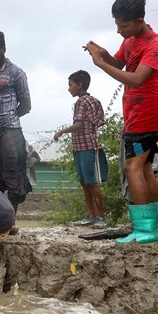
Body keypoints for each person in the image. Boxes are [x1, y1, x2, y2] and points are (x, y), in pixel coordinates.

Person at [83, 0, 158, 244]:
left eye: (123, 25)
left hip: (147, 113)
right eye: (117, 24)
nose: (119, 30)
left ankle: (144, 231)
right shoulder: (132, 39)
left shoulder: (155, 46)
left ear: (140, 20)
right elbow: (121, 63)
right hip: (138, 112)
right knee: (144, 167)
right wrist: (102, 53)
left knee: (131, 166)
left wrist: (100, 65)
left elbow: (136, 78)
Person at [0, 29, 32, 234]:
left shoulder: (16, 73)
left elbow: (26, 104)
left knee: (14, 177)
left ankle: (10, 222)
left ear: (3, 49)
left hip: (11, 130)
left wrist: (9, 117)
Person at [53, 70, 108, 227]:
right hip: (82, 146)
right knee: (85, 182)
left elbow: (79, 124)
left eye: (70, 85)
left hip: (86, 147)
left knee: (90, 182)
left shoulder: (82, 102)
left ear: (80, 85)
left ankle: (101, 217)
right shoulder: (93, 100)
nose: (69, 88)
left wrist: (61, 131)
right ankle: (91, 215)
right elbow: (99, 120)